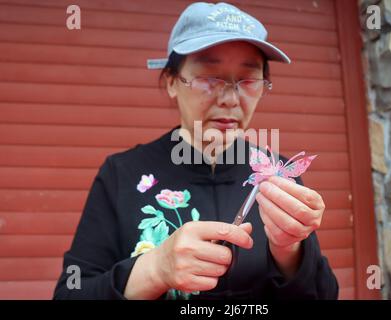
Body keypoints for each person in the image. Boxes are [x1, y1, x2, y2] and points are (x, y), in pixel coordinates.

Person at [53, 1, 338, 300]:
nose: (230, 98)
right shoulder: (121, 174)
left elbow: (325, 295)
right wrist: (155, 270)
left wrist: (289, 250)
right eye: (209, 78)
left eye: (248, 80)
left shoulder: (278, 174)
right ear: (172, 82)